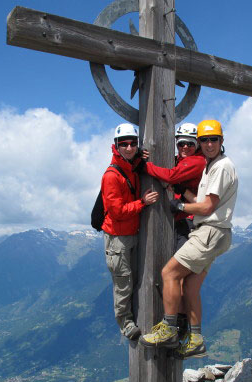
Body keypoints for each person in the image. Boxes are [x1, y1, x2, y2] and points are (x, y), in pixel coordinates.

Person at [140, 119, 238, 358]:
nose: (208, 144)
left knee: (169, 274)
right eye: (204, 140)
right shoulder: (210, 165)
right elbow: (201, 199)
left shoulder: (221, 167)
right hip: (216, 233)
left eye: (212, 139)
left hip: (208, 231)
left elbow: (206, 207)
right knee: (189, 286)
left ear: (221, 141)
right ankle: (195, 339)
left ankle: (169, 329)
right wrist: (183, 191)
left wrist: (179, 204)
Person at [139, 122, 206, 344]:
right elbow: (171, 169)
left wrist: (145, 166)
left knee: (175, 276)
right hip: (180, 222)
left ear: (196, 145)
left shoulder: (196, 162)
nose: (184, 147)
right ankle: (182, 328)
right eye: (181, 144)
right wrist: (149, 155)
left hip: (187, 224)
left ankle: (174, 327)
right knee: (181, 281)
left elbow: (170, 175)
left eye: (189, 144)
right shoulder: (185, 159)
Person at [102, 123, 159, 340]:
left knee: (134, 280)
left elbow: (134, 165)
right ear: (115, 146)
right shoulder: (111, 176)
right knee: (123, 283)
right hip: (117, 238)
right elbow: (116, 212)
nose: (128, 147)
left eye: (132, 143)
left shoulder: (129, 166)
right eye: (123, 144)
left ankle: (135, 317)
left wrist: (140, 158)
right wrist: (142, 203)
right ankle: (125, 323)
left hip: (131, 234)